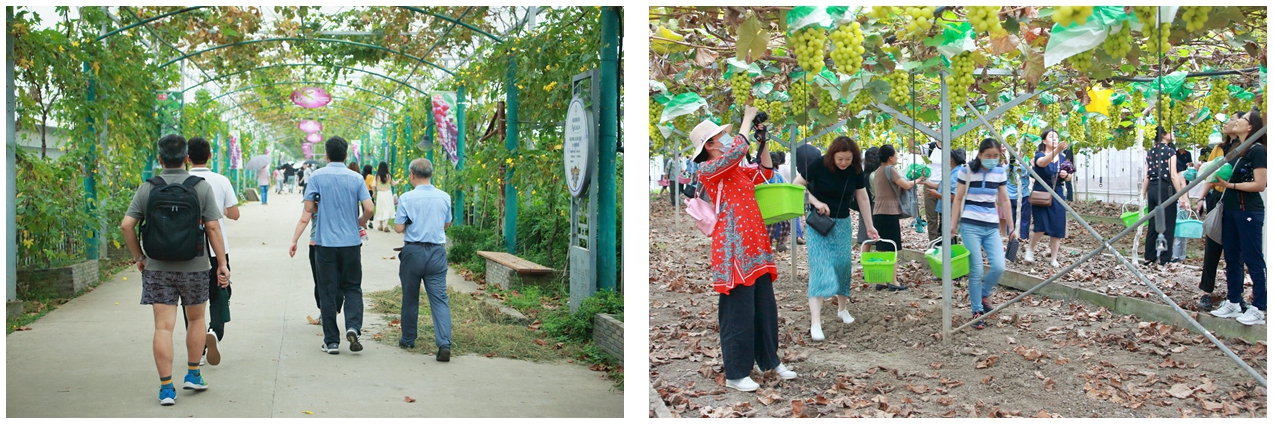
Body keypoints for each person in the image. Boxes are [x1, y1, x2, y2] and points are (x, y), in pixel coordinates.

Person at [689, 106, 796, 392]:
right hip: (733, 246)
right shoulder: (709, 170)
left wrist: (763, 142)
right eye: (720, 136)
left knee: (764, 306)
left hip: (755, 244)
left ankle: (770, 361)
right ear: (709, 146)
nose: (725, 138)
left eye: (726, 134)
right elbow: (737, 150)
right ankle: (737, 372)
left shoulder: (735, 169)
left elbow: (764, 173)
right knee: (738, 309)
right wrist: (747, 119)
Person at [119, 134, 229, 406]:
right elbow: (213, 227)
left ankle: (166, 388)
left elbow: (126, 226)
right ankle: (193, 373)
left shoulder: (148, 188)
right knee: (195, 320)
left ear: (160, 159)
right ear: (187, 159)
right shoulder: (200, 187)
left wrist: (139, 257)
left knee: (163, 328)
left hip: (157, 267)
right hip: (195, 266)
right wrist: (222, 264)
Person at [793, 136, 878, 341]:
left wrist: (869, 225)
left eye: (848, 159)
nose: (843, 163)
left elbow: (862, 197)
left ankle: (842, 309)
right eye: (840, 159)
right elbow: (797, 185)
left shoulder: (856, 170)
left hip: (842, 224)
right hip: (818, 225)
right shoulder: (818, 165)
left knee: (842, 266)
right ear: (832, 155)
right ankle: (816, 322)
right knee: (821, 268)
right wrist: (815, 201)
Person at [304, 137, 376, 355]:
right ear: (346, 155)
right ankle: (353, 327)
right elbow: (370, 208)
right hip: (351, 243)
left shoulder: (317, 176)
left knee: (328, 290)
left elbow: (308, 207)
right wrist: (361, 221)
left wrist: (322, 205)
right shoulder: (355, 178)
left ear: (326, 155)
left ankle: (332, 342)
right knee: (352, 287)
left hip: (325, 244)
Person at [182, 137, 240, 367]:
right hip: (217, 249)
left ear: (187, 158)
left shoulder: (182, 180)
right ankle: (215, 332)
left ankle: (199, 350)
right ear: (209, 156)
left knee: (190, 300)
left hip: (187, 250)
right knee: (219, 294)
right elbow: (234, 214)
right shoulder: (221, 180)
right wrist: (221, 208)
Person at [394, 158, 454, 361]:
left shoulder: (406, 198)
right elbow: (446, 224)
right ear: (431, 174)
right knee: (439, 299)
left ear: (412, 174)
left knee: (410, 297)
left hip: (413, 252)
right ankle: (444, 343)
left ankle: (408, 338)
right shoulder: (444, 197)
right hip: (437, 252)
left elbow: (399, 228)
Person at [1210, 108, 1266, 326]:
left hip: (1248, 211)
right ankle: (1233, 301)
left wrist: (1230, 185)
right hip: (1231, 210)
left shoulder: (1258, 151)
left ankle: (1259, 307)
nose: (1236, 121)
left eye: (1242, 119)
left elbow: (1260, 184)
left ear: (1250, 127)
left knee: (1253, 258)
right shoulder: (1237, 149)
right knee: (1232, 257)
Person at [951, 139, 1012, 329]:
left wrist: (1011, 226)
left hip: (991, 225)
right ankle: (977, 310)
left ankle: (984, 293)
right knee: (976, 269)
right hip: (970, 225)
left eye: (995, 156)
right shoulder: (967, 170)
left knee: (999, 266)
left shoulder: (1000, 172)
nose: (992, 159)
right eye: (988, 156)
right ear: (980, 155)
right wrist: (953, 225)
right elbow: (958, 198)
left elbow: (1004, 199)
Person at [1140, 126, 1187, 266]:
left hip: (1152, 189)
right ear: (1163, 135)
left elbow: (1147, 175)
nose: (1173, 134)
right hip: (1165, 189)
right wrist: (1180, 195)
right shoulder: (1170, 152)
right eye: (1170, 132)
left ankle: (1149, 256)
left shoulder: (1150, 152)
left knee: (1153, 223)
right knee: (1168, 223)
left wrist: (1143, 193)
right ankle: (1165, 258)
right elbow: (1173, 175)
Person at [1026, 129, 1071, 267]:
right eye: (1051, 137)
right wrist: (1057, 150)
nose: (1055, 139)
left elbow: (1070, 176)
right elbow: (1042, 163)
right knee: (1041, 226)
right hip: (1041, 192)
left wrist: (1065, 175)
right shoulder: (1039, 155)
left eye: (1057, 137)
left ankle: (1054, 258)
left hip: (1057, 193)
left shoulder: (1063, 158)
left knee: (1058, 227)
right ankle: (1030, 248)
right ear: (1044, 141)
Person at [873, 145, 925, 257]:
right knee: (892, 248)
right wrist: (918, 180)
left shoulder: (878, 170)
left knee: (881, 247)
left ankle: (882, 271)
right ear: (890, 157)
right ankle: (892, 274)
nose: (897, 157)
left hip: (878, 212)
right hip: (889, 213)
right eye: (896, 155)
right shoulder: (890, 169)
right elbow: (906, 185)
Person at [1172, 146, 1196, 262]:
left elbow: (1183, 186)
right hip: (1174, 201)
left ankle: (1178, 256)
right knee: (1176, 230)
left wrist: (1185, 201)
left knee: (1180, 229)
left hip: (1179, 202)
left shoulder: (1179, 173)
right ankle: (1175, 255)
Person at [374, 162, 398, 232]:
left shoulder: (377, 176)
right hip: (388, 193)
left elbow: (373, 185)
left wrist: (374, 192)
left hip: (380, 193)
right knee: (387, 208)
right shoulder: (388, 176)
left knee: (380, 208)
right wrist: (398, 181)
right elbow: (393, 184)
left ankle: (380, 225)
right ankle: (386, 225)